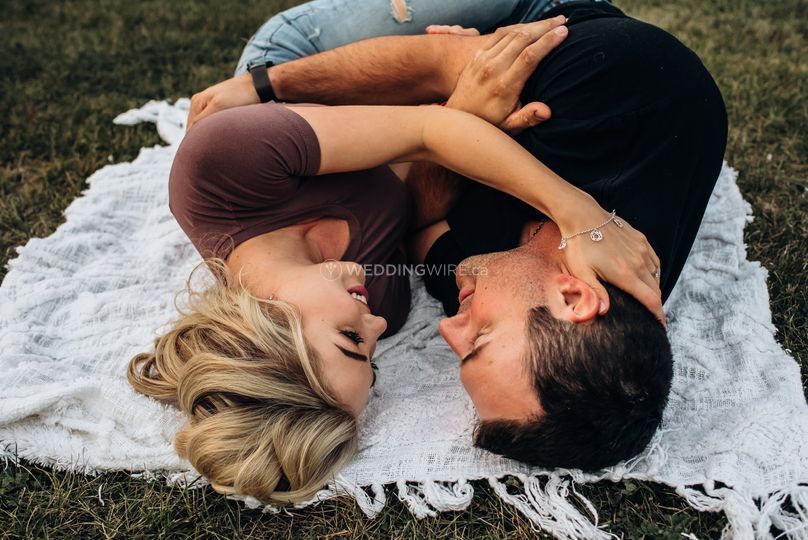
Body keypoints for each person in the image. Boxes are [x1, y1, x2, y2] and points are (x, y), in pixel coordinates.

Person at [128, 9, 662, 503]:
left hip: (291, 71)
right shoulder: (380, 294)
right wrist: (455, 120)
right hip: (396, 115)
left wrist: (580, 214)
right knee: (509, 58)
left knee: (506, 42)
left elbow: (431, 134)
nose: (380, 323)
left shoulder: (220, 171)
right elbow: (421, 173)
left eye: (349, 340)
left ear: (267, 329)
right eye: (373, 358)